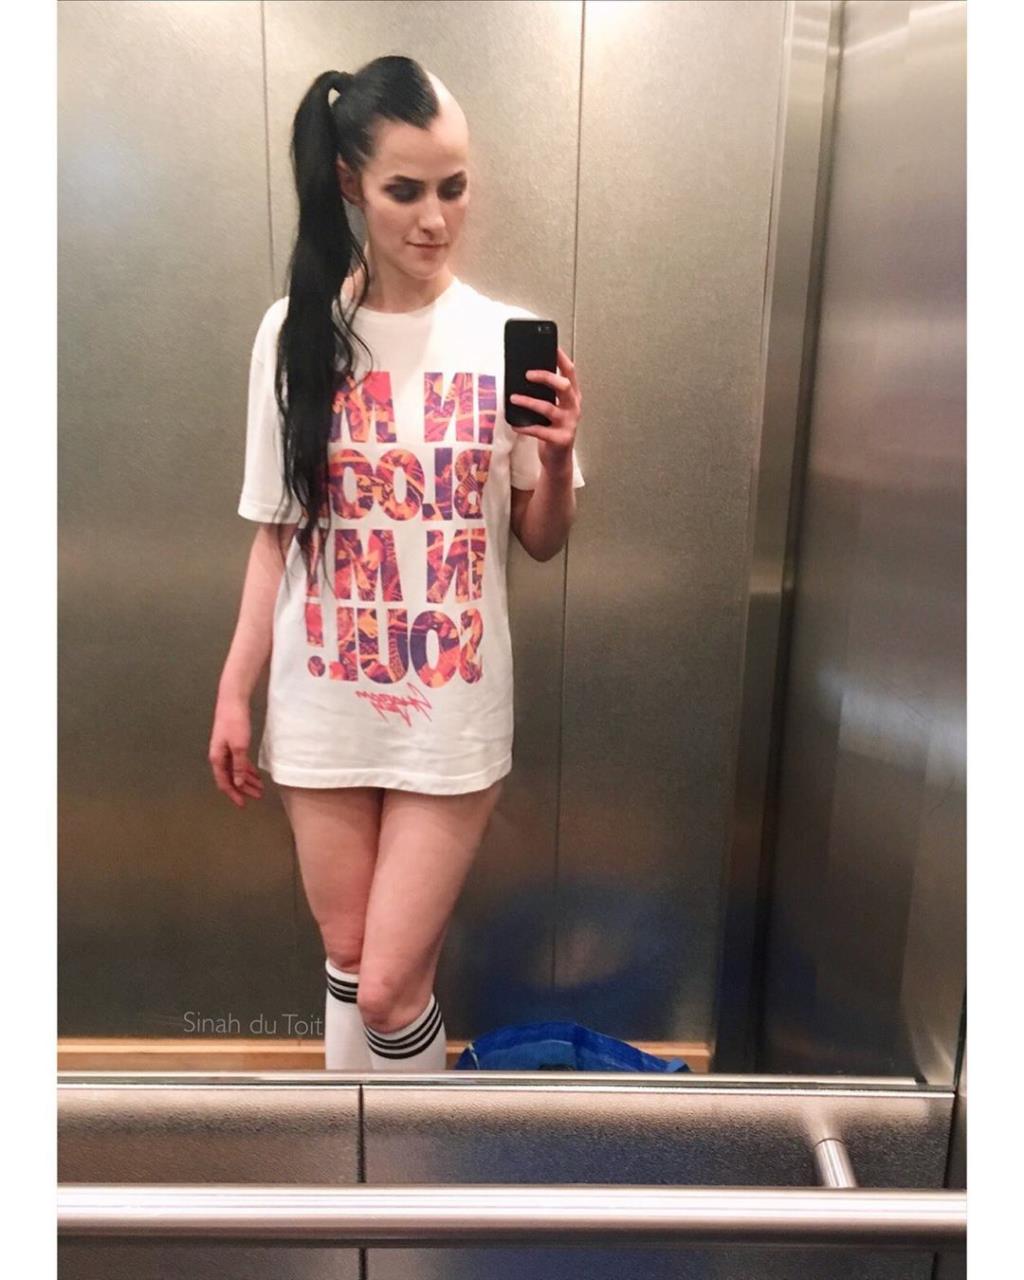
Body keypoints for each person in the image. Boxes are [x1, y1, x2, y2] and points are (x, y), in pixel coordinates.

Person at [208, 57, 585, 1073]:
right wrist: (235, 691)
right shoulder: (293, 336)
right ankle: (361, 1154)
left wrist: (554, 460)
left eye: (453, 187)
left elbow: (540, 538)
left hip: (450, 706)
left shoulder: (500, 336)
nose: (434, 217)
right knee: (349, 953)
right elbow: (276, 531)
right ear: (350, 184)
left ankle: (419, 1160)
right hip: (324, 696)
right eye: (405, 190)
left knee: (387, 985)